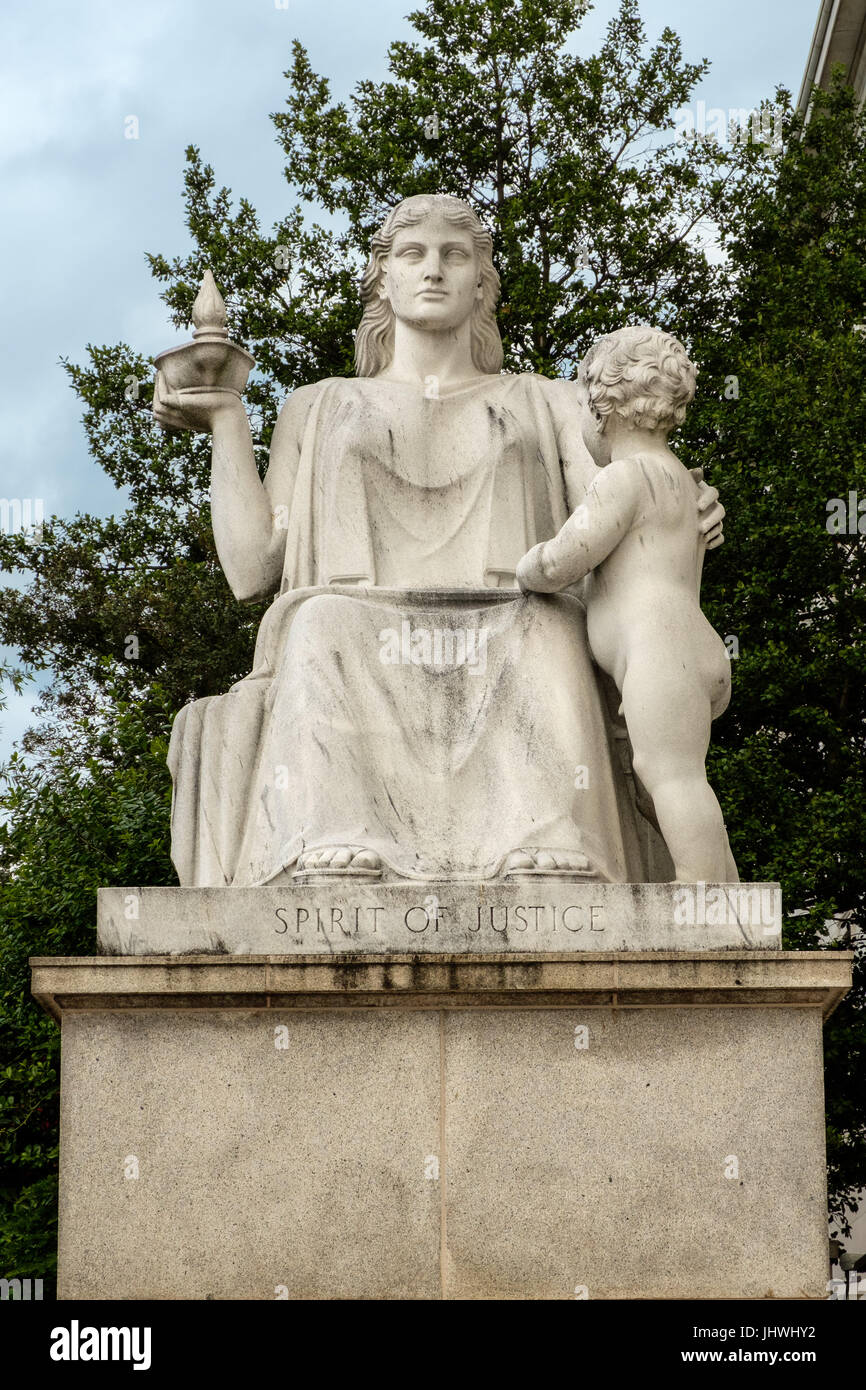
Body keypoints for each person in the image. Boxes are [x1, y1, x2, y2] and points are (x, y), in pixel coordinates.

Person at [153, 197, 726, 886]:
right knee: (319, 620)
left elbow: (621, 499)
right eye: (412, 254)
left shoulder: (547, 401)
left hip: (515, 617)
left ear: (481, 281)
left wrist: (685, 502)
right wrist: (227, 427)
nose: (434, 270)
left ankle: (547, 838)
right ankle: (330, 834)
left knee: (544, 624)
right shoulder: (319, 403)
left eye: (454, 255)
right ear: (382, 278)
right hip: (355, 627)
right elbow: (251, 570)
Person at [517, 326, 737, 882]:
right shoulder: (687, 486)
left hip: (659, 656)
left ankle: (704, 893)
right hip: (689, 650)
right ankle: (728, 885)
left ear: (603, 409)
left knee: (671, 776)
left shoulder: (623, 478)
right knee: (657, 786)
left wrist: (530, 565)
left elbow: (565, 560)